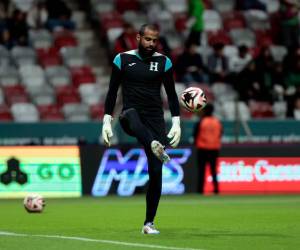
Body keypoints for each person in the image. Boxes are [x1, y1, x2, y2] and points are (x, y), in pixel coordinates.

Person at [101, 24, 181, 234]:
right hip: (132, 117)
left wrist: (177, 122)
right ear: (138, 38)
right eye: (147, 39)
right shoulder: (122, 59)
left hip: (155, 120)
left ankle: (149, 223)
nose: (151, 44)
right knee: (129, 114)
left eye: (154, 40)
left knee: (156, 173)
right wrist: (107, 120)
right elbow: (112, 92)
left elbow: (171, 95)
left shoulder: (164, 62)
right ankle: (153, 144)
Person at [193, 103, 222, 194]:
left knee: (201, 171)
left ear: (205, 110)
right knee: (213, 171)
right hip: (214, 150)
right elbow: (220, 134)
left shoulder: (201, 121)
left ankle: (200, 191)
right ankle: (216, 190)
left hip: (202, 149)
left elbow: (195, 135)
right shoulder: (217, 122)